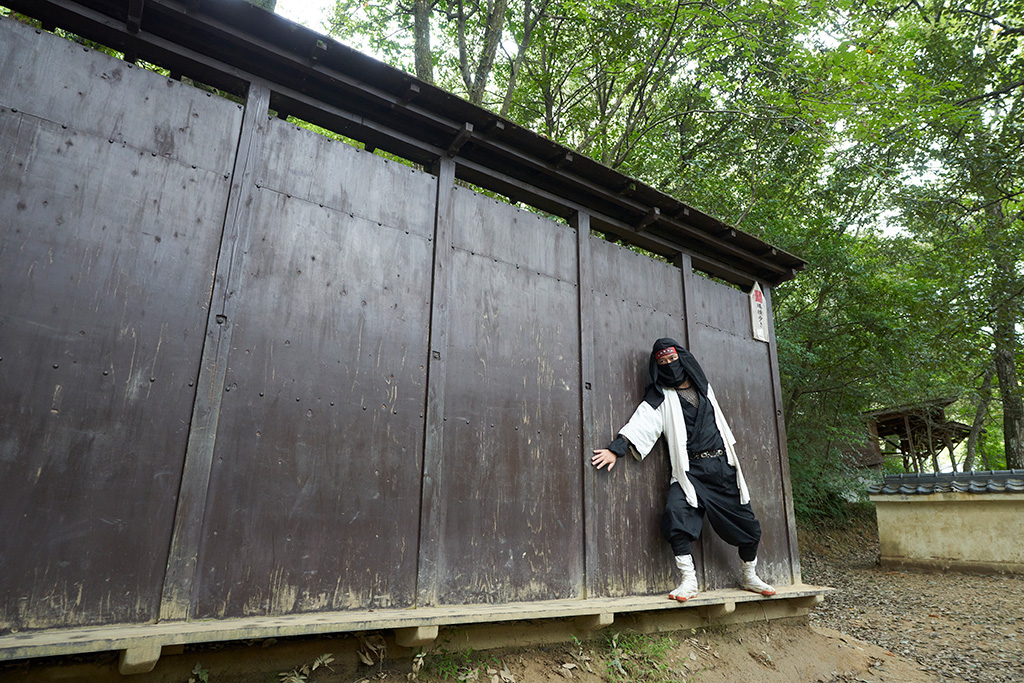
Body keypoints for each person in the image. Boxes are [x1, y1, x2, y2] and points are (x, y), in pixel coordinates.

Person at [590, 338, 775, 602]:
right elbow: (641, 422)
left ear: (682, 358)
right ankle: (688, 580)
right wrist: (616, 449)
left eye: (672, 359)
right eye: (662, 362)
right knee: (676, 515)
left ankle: (749, 575)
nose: (669, 365)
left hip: (722, 468)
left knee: (748, 526)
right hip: (690, 471)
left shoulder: (704, 388)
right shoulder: (660, 396)